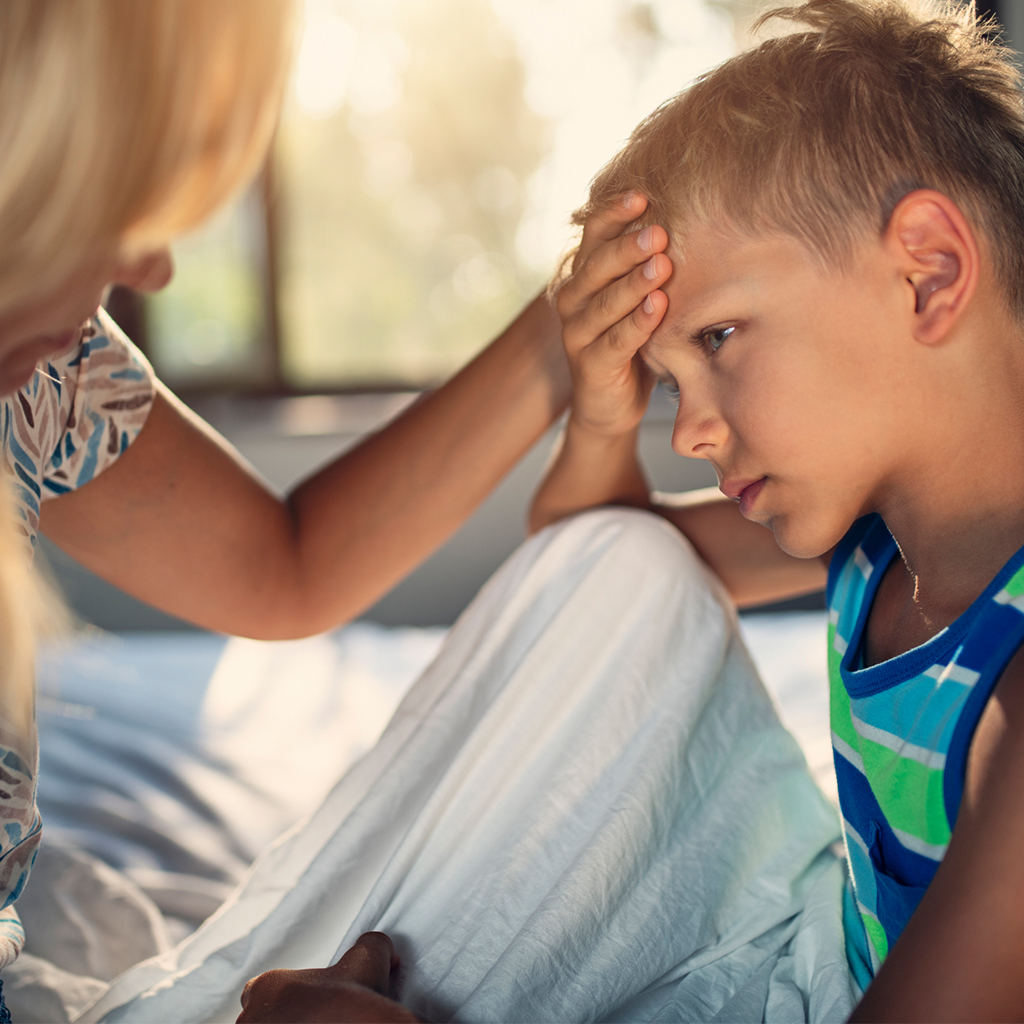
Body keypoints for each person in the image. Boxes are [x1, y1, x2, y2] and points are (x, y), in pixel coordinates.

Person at [157, 0, 1024, 1019]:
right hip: (819, 965)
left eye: (714, 339)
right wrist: (601, 419)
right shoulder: (875, 543)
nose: (691, 431)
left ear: (925, 271)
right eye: (667, 384)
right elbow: (597, 570)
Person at [0, 0, 671, 1009]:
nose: (152, 267)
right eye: (108, 197)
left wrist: (569, 320)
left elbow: (285, 566)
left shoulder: (44, 375)